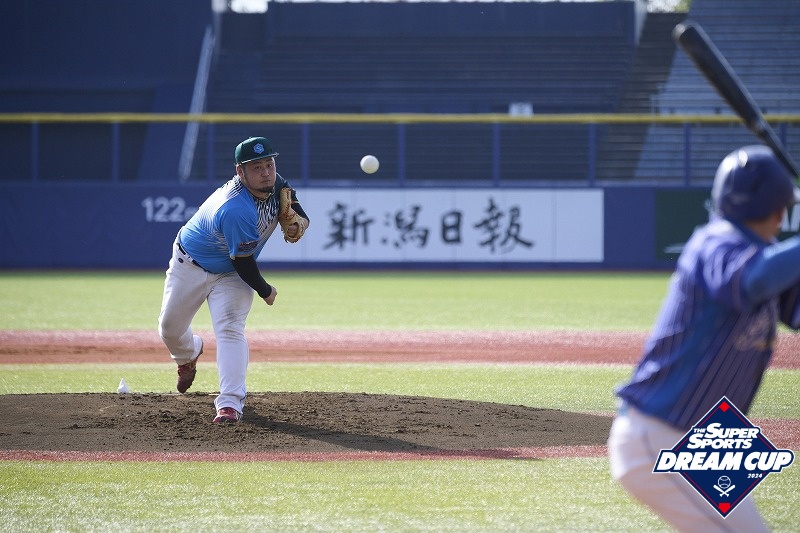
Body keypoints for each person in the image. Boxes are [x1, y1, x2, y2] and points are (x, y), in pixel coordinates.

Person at [608, 144, 800, 532]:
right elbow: (754, 280)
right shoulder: (715, 243)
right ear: (780, 211)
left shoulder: (761, 254)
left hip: (708, 440)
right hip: (662, 431)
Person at [158, 136, 309, 423]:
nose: (266, 172)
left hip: (230, 275)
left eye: (269, 164)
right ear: (240, 172)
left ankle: (229, 403)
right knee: (169, 329)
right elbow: (243, 263)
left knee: (229, 329)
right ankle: (188, 353)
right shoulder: (235, 207)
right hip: (191, 264)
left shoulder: (276, 184)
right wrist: (265, 290)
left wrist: (298, 224)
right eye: (256, 167)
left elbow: (299, 214)